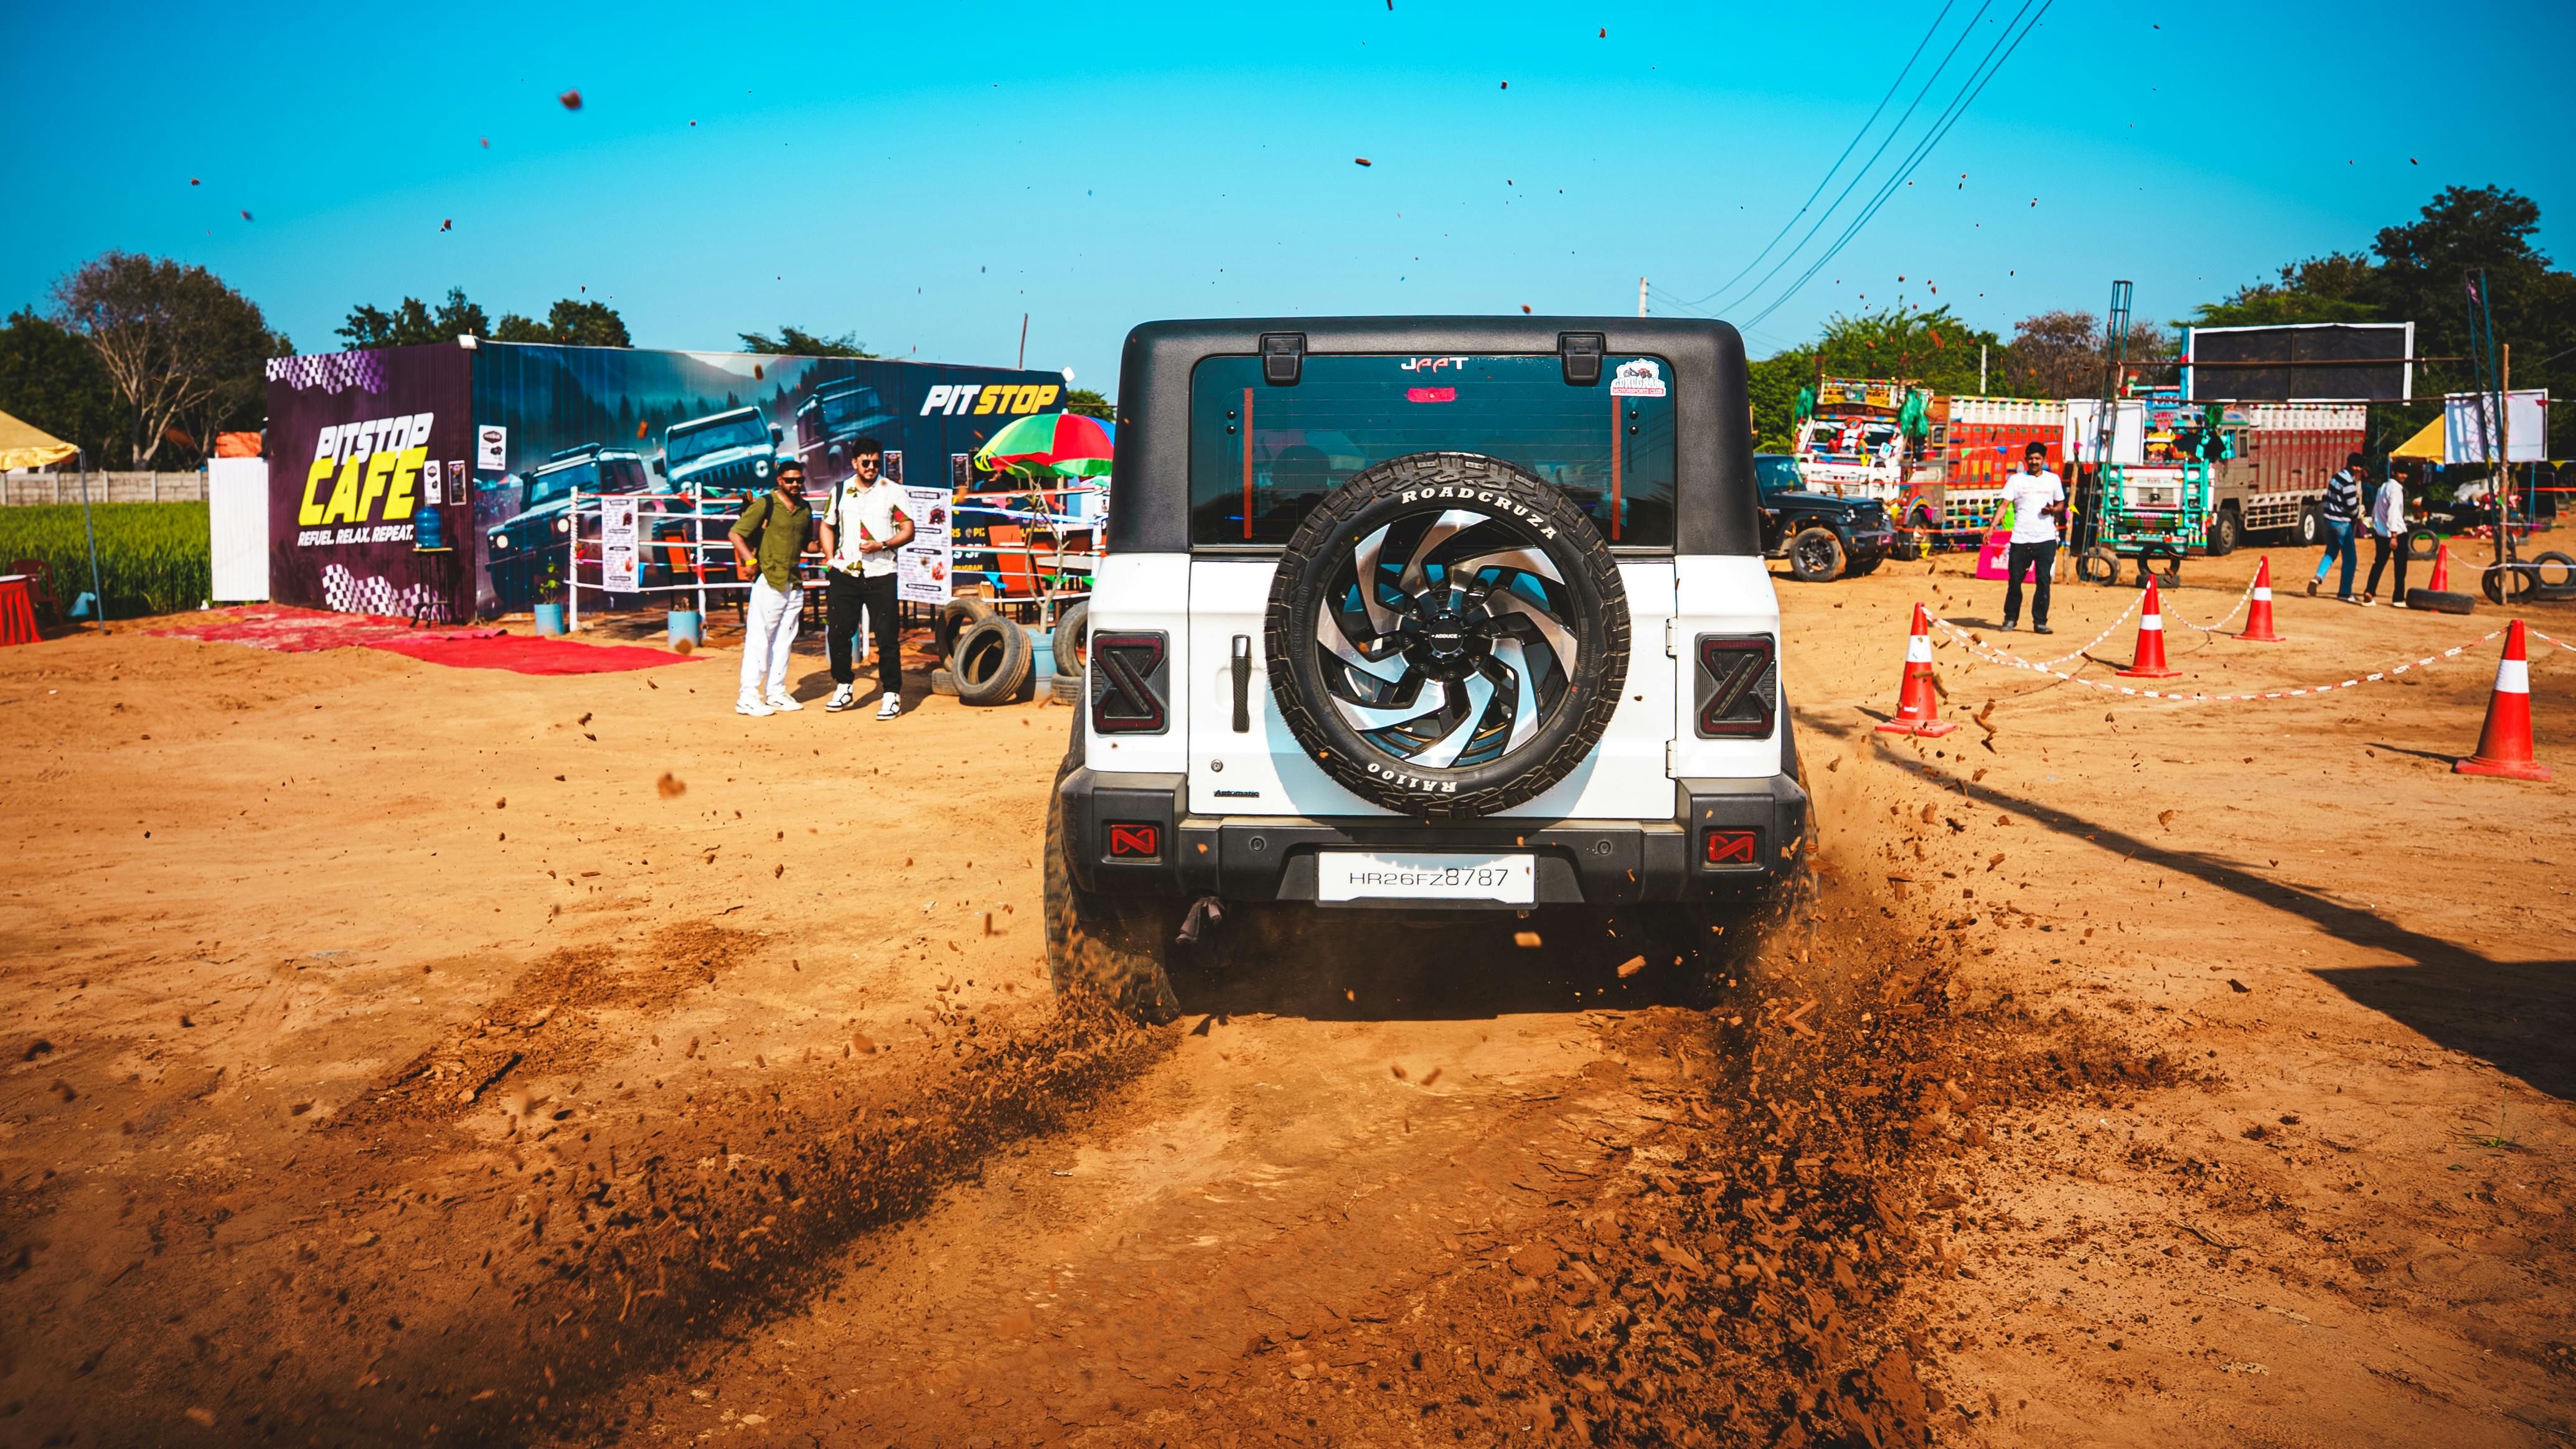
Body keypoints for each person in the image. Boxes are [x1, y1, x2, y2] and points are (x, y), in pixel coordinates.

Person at [814, 436, 915, 720]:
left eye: (875, 461)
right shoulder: (840, 490)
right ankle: (844, 685)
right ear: (854, 462)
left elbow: (909, 529)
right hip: (845, 573)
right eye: (865, 462)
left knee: (886, 637)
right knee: (838, 632)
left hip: (881, 571)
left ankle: (891, 695)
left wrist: (882, 544)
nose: (871, 467)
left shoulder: (892, 491)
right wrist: (830, 558)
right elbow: (826, 525)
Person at [728, 456, 815, 717]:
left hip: (793, 581)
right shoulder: (766, 503)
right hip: (769, 581)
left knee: (784, 641)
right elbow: (736, 533)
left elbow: (806, 545)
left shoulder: (805, 509)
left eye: (799, 480)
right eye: (790, 480)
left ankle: (776, 692)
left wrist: (826, 545)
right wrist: (751, 560)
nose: (795, 484)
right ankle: (748, 695)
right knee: (759, 639)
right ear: (780, 481)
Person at [1996, 441, 2066, 634]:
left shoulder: (2053, 480)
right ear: (2026, 460)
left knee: (2043, 580)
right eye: (2031, 458)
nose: (2034, 461)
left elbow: (2061, 504)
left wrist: (2053, 510)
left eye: (2038, 458)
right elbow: (2003, 506)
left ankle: (2040, 622)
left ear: (2044, 460)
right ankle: (2010, 619)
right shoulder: (2016, 480)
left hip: (2045, 540)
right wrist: (1991, 528)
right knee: (2015, 581)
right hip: (2021, 539)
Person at [2308, 453, 2367, 602]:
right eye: (2357, 466)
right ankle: (2345, 592)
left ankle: (2318, 577)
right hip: (2342, 523)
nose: (2358, 469)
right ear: (2351, 465)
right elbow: (2351, 508)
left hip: (2328, 520)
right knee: (2350, 559)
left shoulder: (2335, 477)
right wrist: (2359, 513)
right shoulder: (2348, 482)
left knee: (2330, 553)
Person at [2363, 464, 2410, 607]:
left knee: (2379, 564)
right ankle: (2398, 598)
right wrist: (2394, 536)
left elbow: (2376, 510)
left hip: (2381, 533)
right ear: (2394, 472)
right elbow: (2394, 513)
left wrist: (2377, 529)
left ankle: (2370, 591)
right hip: (2396, 533)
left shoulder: (2383, 487)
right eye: (2401, 473)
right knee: (2400, 567)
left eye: (2405, 474)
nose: (2404, 476)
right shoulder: (2396, 490)